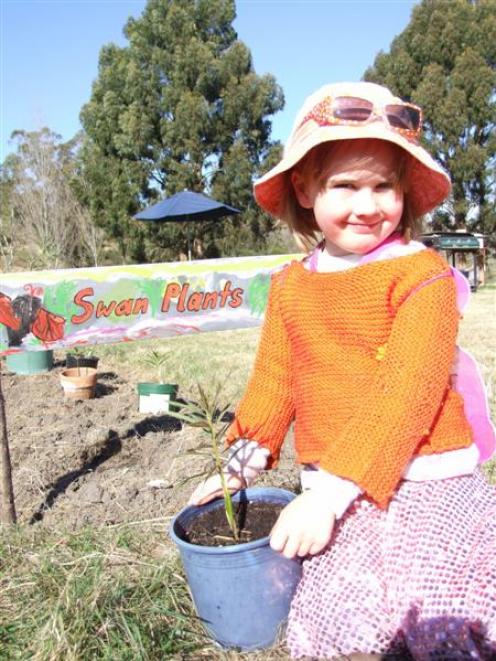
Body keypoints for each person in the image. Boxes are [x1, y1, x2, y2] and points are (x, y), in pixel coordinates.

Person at [188, 82, 496, 660]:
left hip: (427, 476)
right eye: (346, 185)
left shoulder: (421, 277)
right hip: (336, 481)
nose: (368, 204)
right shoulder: (291, 285)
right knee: (336, 619)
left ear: (405, 191)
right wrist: (239, 465)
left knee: (443, 610)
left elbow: (405, 396)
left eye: (384, 186)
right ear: (305, 189)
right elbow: (275, 383)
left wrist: (325, 501)